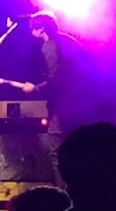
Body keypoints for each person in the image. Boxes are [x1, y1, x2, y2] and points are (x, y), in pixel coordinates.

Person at [19, 10, 85, 185]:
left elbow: (56, 80)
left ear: (41, 29)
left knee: (57, 151)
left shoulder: (50, 46)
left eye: (32, 28)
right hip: (82, 103)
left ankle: (64, 193)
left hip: (63, 106)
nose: (31, 32)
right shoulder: (69, 41)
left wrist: (35, 88)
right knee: (79, 150)